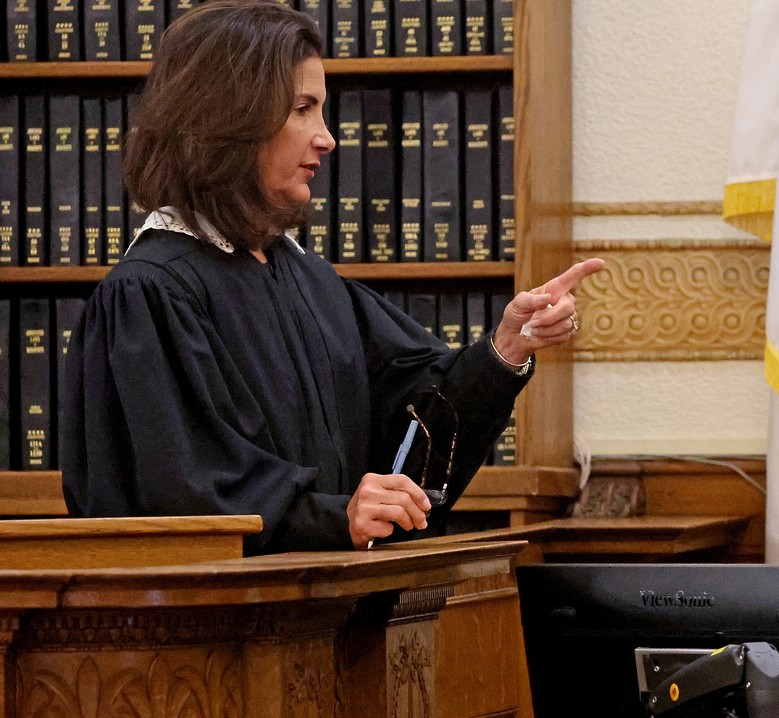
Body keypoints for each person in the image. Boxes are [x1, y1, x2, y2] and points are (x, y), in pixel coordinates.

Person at [58, 1, 604, 555]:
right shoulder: (148, 294)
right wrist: (332, 517)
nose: (327, 138)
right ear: (227, 118)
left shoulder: (306, 278)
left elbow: (411, 410)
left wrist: (504, 349)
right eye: (302, 108)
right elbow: (180, 495)